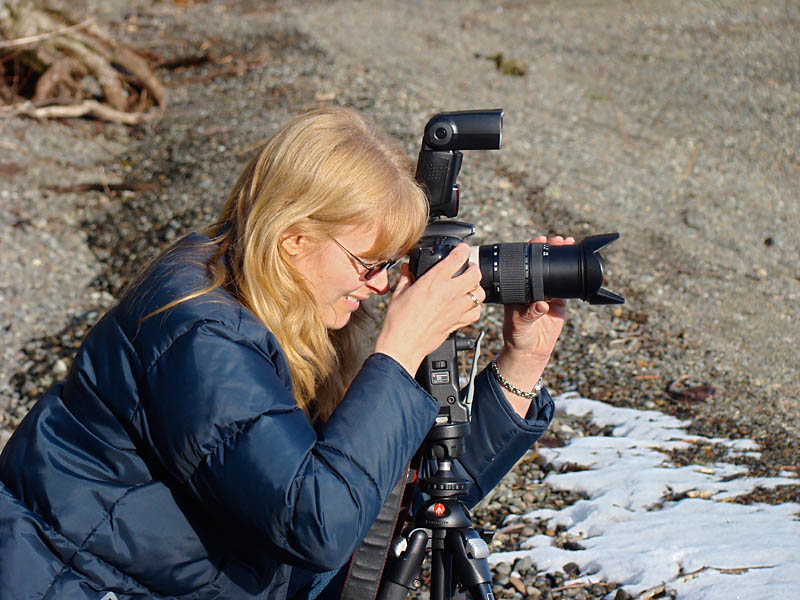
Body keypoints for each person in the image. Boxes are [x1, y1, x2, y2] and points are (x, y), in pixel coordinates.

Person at [0, 106, 570, 599]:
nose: (380, 285)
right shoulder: (200, 334)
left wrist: (523, 359)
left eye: (392, 265)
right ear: (293, 238)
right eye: (369, 264)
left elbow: (388, 498)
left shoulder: (289, 314)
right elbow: (317, 522)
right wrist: (397, 354)